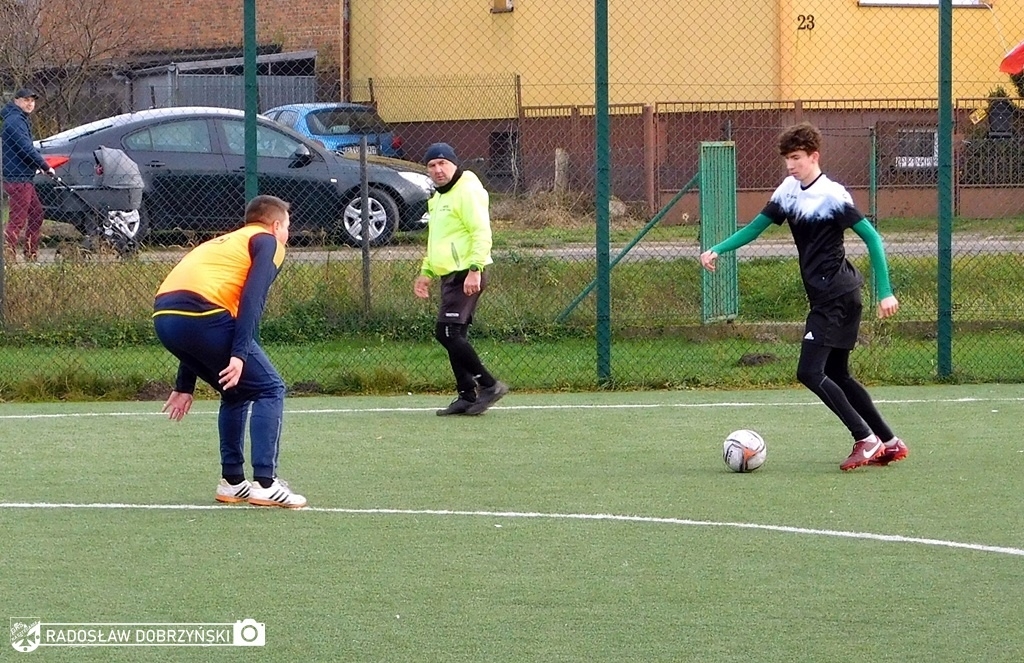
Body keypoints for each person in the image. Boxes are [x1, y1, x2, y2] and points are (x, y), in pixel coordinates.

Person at [699, 122, 908, 472]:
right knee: (837, 374)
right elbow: (755, 228)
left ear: (814, 156)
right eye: (787, 159)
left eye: (796, 158)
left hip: (836, 295)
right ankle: (889, 441)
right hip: (833, 294)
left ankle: (865, 439)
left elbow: (873, 238)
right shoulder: (788, 191)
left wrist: (885, 291)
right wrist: (717, 249)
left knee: (809, 372)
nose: (790, 165)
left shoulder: (832, 195)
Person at [153, 194, 306, 507]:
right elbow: (252, 298)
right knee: (270, 388)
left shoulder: (225, 242)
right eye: (287, 227)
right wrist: (239, 354)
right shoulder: (268, 242)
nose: (287, 234)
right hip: (201, 314)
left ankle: (233, 482)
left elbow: (192, 308)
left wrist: (185, 385)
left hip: (164, 317)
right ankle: (266, 483)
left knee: (235, 391)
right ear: (276, 226)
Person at [414, 142, 508, 416]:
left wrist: (475, 269)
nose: (438, 169)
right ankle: (467, 396)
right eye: (432, 165)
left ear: (454, 164)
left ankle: (488, 385)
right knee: (455, 335)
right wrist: (427, 272)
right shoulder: (439, 198)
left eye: (443, 163)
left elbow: (481, 232)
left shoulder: (467, 191)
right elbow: (438, 240)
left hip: (466, 273)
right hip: (449, 275)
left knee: (447, 333)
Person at [1, 88, 54, 263]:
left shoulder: (19, 119)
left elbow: (24, 149)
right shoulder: (15, 121)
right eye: (26, 100)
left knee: (37, 214)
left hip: (23, 176)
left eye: (32, 101)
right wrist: (44, 165)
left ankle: (30, 253)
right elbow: (25, 147)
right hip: (17, 178)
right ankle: (7, 257)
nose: (30, 104)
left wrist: (37, 165)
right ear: (16, 101)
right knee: (17, 219)